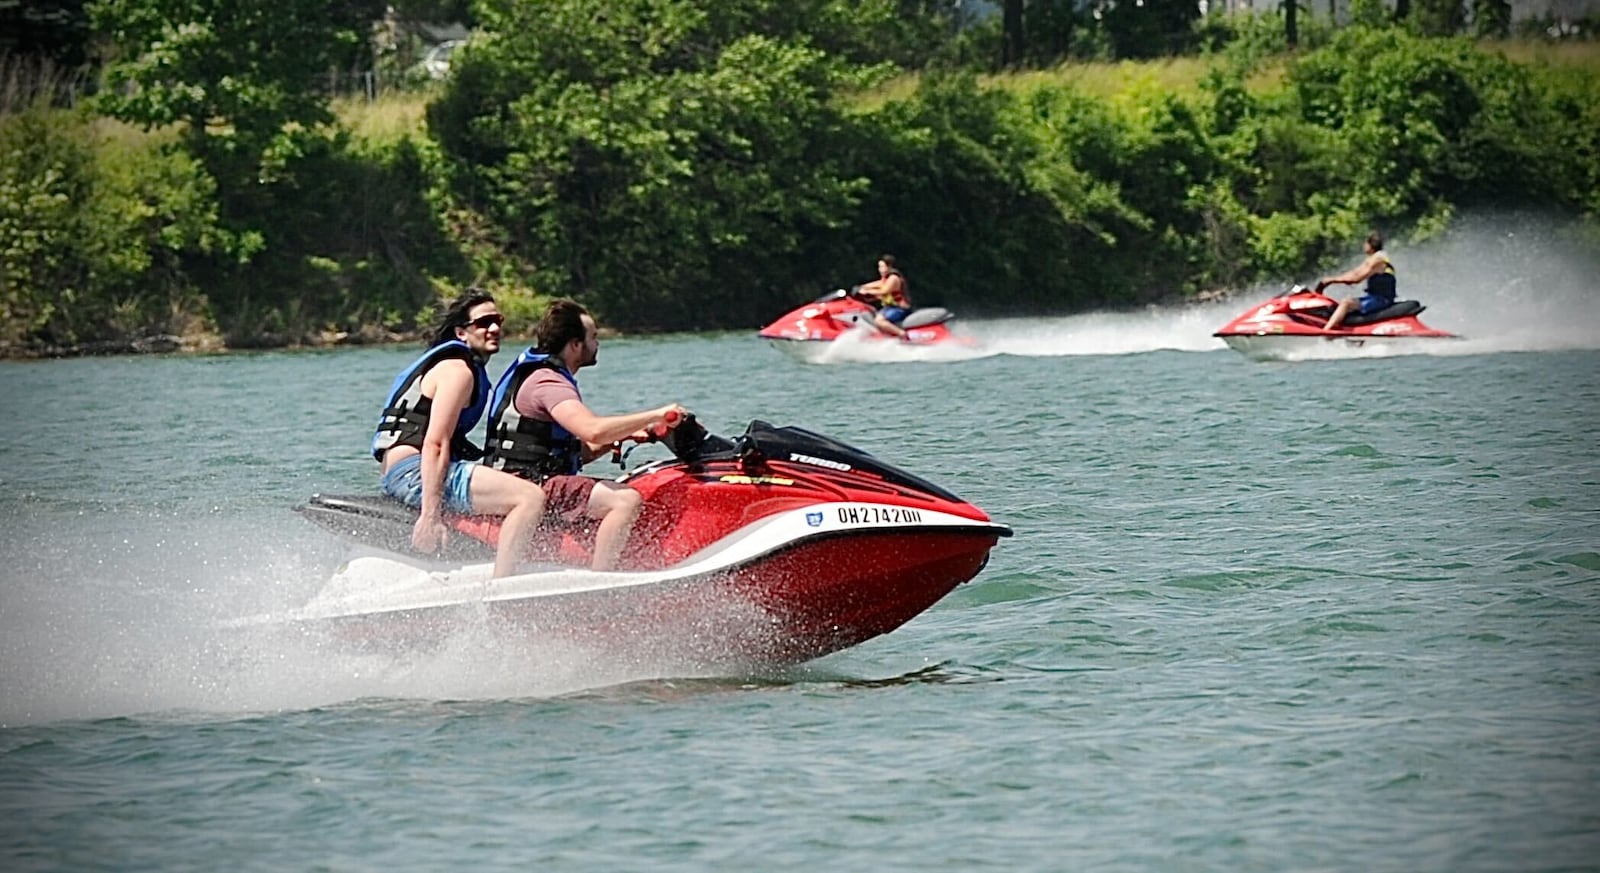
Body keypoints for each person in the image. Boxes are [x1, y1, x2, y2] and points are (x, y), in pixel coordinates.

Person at [483, 299, 687, 571]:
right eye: (594, 336)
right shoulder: (548, 382)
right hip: (528, 483)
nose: (598, 343)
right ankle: (602, 581)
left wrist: (621, 438)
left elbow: (578, 450)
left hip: (531, 476)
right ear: (575, 345)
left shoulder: (541, 374)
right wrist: (658, 414)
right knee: (624, 499)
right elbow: (592, 429)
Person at [372, 290, 547, 579]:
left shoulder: (458, 366)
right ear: (461, 332)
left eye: (498, 320)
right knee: (529, 498)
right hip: (412, 472)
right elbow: (436, 443)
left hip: (403, 470)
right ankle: (503, 587)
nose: (495, 328)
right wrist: (430, 515)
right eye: (484, 322)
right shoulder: (458, 371)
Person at [1316, 231, 1397, 332]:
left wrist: (1332, 280)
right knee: (1337, 305)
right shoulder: (1373, 258)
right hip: (1373, 297)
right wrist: (1330, 280)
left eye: (1365, 243)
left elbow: (1357, 279)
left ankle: (1325, 332)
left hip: (1381, 300)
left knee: (1346, 303)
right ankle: (1338, 330)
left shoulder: (1378, 260)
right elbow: (1355, 272)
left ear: (1371, 245)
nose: (1363, 246)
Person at [854, 254, 912, 338]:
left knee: (879, 321)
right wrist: (861, 287)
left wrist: (867, 291)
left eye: (882, 267)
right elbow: (877, 284)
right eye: (879, 267)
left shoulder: (894, 278)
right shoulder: (886, 279)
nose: (880, 270)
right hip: (889, 307)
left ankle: (902, 334)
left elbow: (884, 291)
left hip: (899, 308)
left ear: (889, 267)